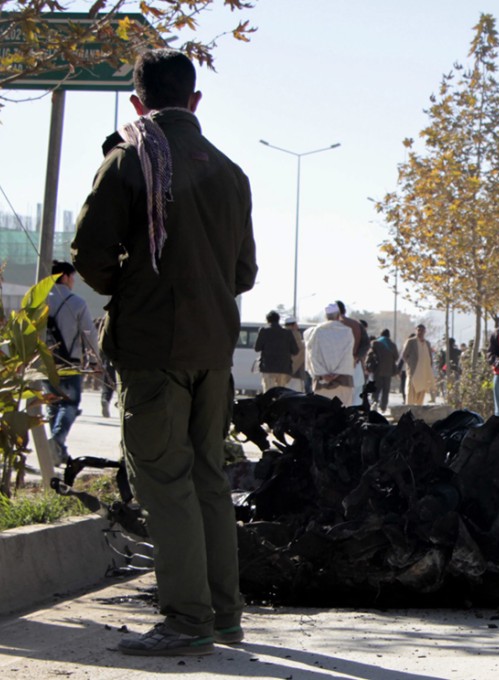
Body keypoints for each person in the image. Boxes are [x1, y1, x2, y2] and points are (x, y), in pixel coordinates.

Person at [71, 49, 257, 655]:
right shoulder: (231, 172)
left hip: (154, 349)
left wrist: (140, 288)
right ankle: (223, 615)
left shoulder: (129, 160)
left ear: (137, 102)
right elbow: (245, 272)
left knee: (164, 482)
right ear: (195, 101)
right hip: (213, 348)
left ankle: (186, 621)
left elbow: (90, 256)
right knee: (208, 479)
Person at [44, 261, 100, 464]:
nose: (73, 281)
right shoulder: (76, 302)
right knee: (69, 403)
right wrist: (94, 361)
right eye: (72, 277)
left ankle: (57, 453)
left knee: (52, 405)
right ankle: (57, 440)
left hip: (44, 364)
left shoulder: (39, 301)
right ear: (65, 277)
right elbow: (89, 334)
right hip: (69, 363)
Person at [304, 303, 356, 404]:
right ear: (338, 315)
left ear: (326, 316)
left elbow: (312, 355)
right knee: (342, 416)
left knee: (322, 415)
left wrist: (323, 374)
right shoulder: (347, 331)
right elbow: (347, 356)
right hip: (343, 382)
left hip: (322, 383)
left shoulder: (317, 331)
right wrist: (336, 374)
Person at [254, 310, 298, 393]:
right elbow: (295, 351)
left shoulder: (264, 331)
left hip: (268, 368)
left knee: (268, 394)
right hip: (283, 368)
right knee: (281, 394)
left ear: (267, 320)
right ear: (278, 320)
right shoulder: (287, 333)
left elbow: (257, 348)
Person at [401, 324, 435, 405]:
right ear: (416, 330)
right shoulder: (411, 342)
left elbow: (429, 356)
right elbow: (404, 355)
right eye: (418, 330)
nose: (420, 332)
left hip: (424, 372)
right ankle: (409, 409)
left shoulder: (427, 343)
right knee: (410, 392)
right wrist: (410, 364)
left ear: (425, 332)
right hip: (413, 371)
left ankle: (419, 410)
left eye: (422, 331)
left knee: (421, 393)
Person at [366, 329, 398, 411]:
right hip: (389, 371)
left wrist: (368, 365)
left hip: (377, 370)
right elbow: (396, 357)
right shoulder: (392, 345)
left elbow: (370, 355)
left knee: (376, 388)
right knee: (386, 390)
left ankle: (374, 404)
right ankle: (383, 407)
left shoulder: (375, 343)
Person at [283, 316, 308, 393]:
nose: (297, 326)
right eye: (296, 324)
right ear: (292, 325)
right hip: (295, 372)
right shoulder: (296, 335)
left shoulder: (281, 335)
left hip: (282, 372)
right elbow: (299, 352)